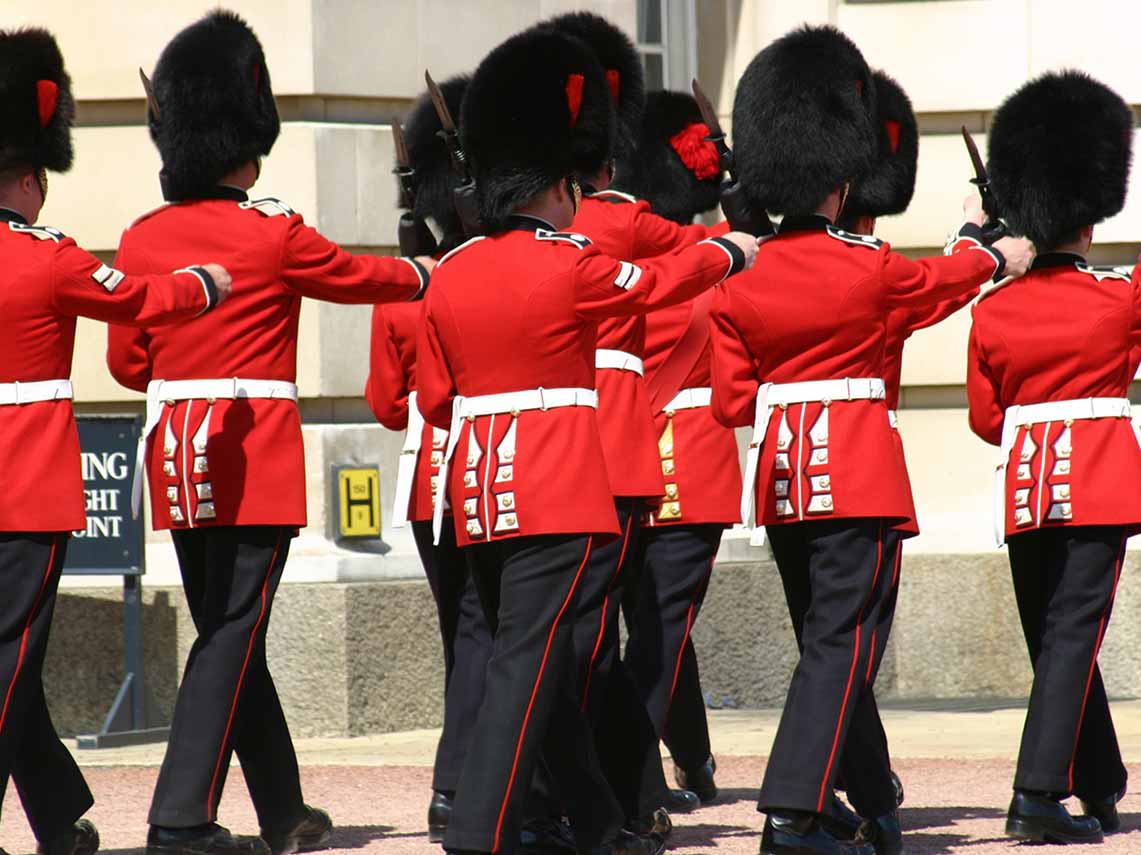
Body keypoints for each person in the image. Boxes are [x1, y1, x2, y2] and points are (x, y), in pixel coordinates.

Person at [415, 26, 757, 855]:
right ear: (560, 187)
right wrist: (726, 253)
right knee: (530, 668)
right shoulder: (571, 263)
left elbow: (432, 398)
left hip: (479, 493)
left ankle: (600, 824)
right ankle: (481, 829)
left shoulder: (450, 271)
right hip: (558, 486)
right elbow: (659, 282)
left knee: (538, 664)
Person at [105, 11, 434, 855]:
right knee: (231, 633)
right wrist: (433, 268)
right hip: (251, 457)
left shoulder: (142, 239)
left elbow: (127, 366)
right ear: (245, 147)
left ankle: (283, 808)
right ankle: (178, 816)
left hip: (178, 459)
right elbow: (362, 279)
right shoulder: (271, 231)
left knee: (227, 628)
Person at [708, 25, 1034, 855]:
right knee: (841, 645)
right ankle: (791, 811)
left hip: (780, 479)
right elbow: (937, 284)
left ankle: (867, 791)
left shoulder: (738, 282)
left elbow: (728, 400)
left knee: (825, 643)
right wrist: (986, 246)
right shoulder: (867, 265)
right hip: (855, 471)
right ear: (839, 173)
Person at [0, 27, 233, 855]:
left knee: (12, 658)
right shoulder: (47, 255)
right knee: (10, 653)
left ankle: (58, 813)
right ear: (28, 178)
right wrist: (204, 284)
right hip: (25, 481)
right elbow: (136, 300)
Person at [540, 11, 713, 828]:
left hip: (534, 449)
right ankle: (617, 795)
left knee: (560, 632)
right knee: (593, 635)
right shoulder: (618, 219)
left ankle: (588, 792)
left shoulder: (516, 233)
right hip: (610, 434)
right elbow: (695, 260)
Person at [967, 70, 1138, 846]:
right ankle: (1036, 793)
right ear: (1091, 216)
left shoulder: (993, 309)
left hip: (1023, 488)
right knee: (1073, 634)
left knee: (1057, 637)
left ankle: (1097, 778)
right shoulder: (1116, 297)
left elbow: (982, 418)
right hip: (1098, 483)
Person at [364, 73, 494, 845]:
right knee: (488, 636)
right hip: (485, 477)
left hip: (424, 486)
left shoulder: (405, 292)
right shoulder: (485, 277)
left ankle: (464, 778)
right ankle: (461, 783)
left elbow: (386, 406)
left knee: (463, 637)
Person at [612, 88, 736, 807]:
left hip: (618, 457)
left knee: (658, 620)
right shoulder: (709, 272)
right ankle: (630, 774)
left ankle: (689, 755)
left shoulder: (620, 263)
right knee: (661, 629)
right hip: (689, 457)